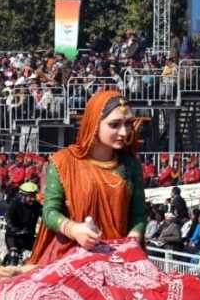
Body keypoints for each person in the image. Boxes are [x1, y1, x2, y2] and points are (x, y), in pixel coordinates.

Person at [29, 91, 147, 265]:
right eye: (114, 125)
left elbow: (139, 215)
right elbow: (50, 212)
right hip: (70, 255)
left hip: (119, 258)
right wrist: (74, 229)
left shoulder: (131, 165)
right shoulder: (64, 162)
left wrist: (132, 240)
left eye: (128, 123)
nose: (124, 132)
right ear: (94, 124)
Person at [5, 182, 43, 265]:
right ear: (23, 195)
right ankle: (9, 273)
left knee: (42, 251)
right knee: (13, 256)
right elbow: (8, 218)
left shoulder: (36, 205)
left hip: (28, 236)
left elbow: (45, 214)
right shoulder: (14, 204)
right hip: (14, 236)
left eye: (34, 196)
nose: (33, 199)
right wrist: (16, 229)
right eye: (30, 196)